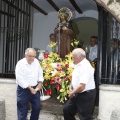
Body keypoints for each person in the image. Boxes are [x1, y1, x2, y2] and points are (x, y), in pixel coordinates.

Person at [63, 48, 96, 120]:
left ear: (80, 57)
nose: (72, 59)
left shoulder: (85, 66)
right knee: (67, 110)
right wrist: (70, 87)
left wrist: (72, 93)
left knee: (84, 117)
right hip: (77, 92)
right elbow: (75, 78)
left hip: (86, 94)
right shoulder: (78, 64)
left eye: (73, 57)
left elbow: (82, 86)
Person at [15, 48, 44, 120]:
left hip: (35, 88)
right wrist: (29, 87)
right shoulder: (20, 64)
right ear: (25, 55)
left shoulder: (36, 62)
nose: (32, 58)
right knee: (22, 110)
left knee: (37, 107)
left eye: (33, 56)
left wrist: (40, 82)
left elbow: (40, 73)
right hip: (23, 89)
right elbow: (19, 78)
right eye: (30, 56)